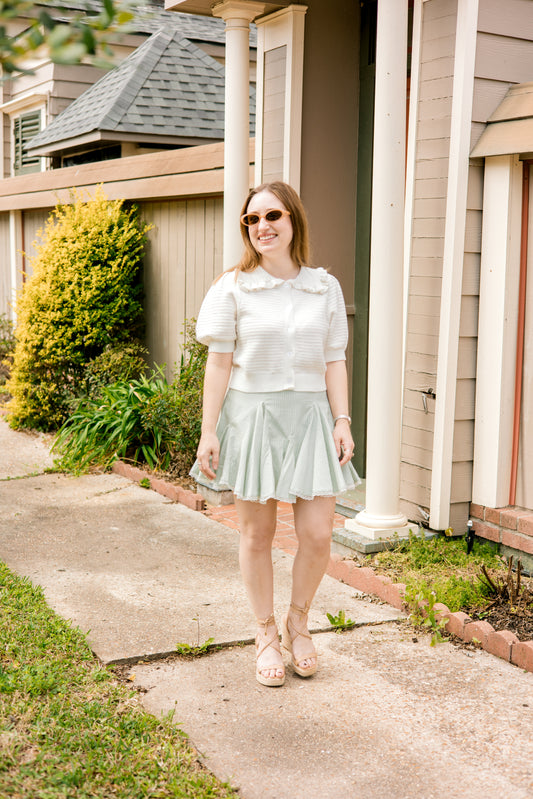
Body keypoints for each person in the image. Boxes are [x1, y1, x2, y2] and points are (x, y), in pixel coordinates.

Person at [190, 181, 359, 687]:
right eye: (252, 220)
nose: (262, 226)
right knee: (257, 534)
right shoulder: (233, 287)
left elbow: (334, 360)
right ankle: (265, 633)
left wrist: (342, 419)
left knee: (316, 533)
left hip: (310, 417)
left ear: (293, 221)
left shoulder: (323, 287)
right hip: (253, 415)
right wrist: (209, 430)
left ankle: (299, 622)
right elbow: (218, 363)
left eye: (272, 216)